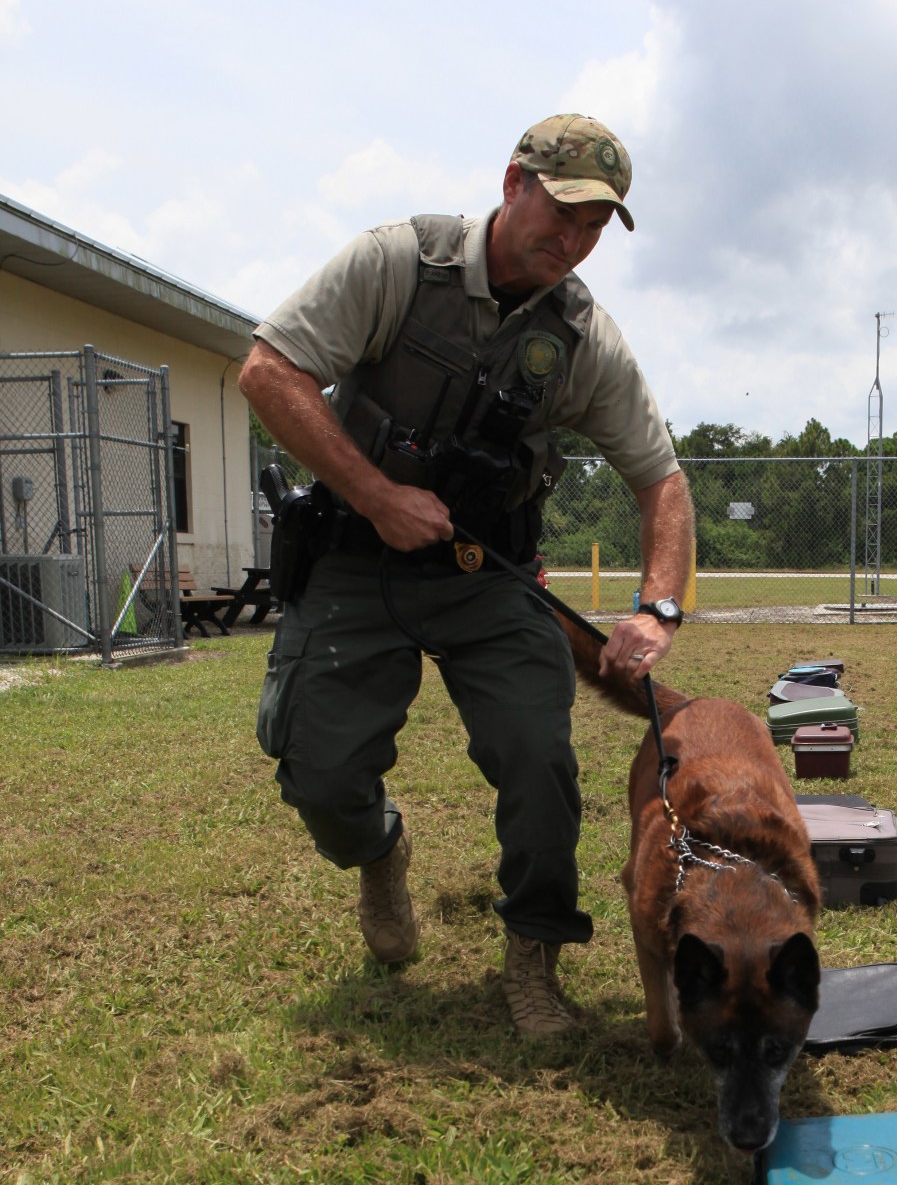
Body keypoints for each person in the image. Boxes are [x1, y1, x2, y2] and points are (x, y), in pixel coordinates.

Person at [238, 114, 693, 1036]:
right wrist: (374, 494)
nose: (573, 241)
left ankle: (532, 956)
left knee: (539, 757)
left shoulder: (581, 337)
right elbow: (268, 371)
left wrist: (659, 606)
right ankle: (380, 847)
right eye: (561, 212)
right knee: (321, 777)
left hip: (488, 578)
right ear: (512, 184)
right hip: (353, 559)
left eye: (597, 226)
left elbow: (662, 480)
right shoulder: (399, 264)